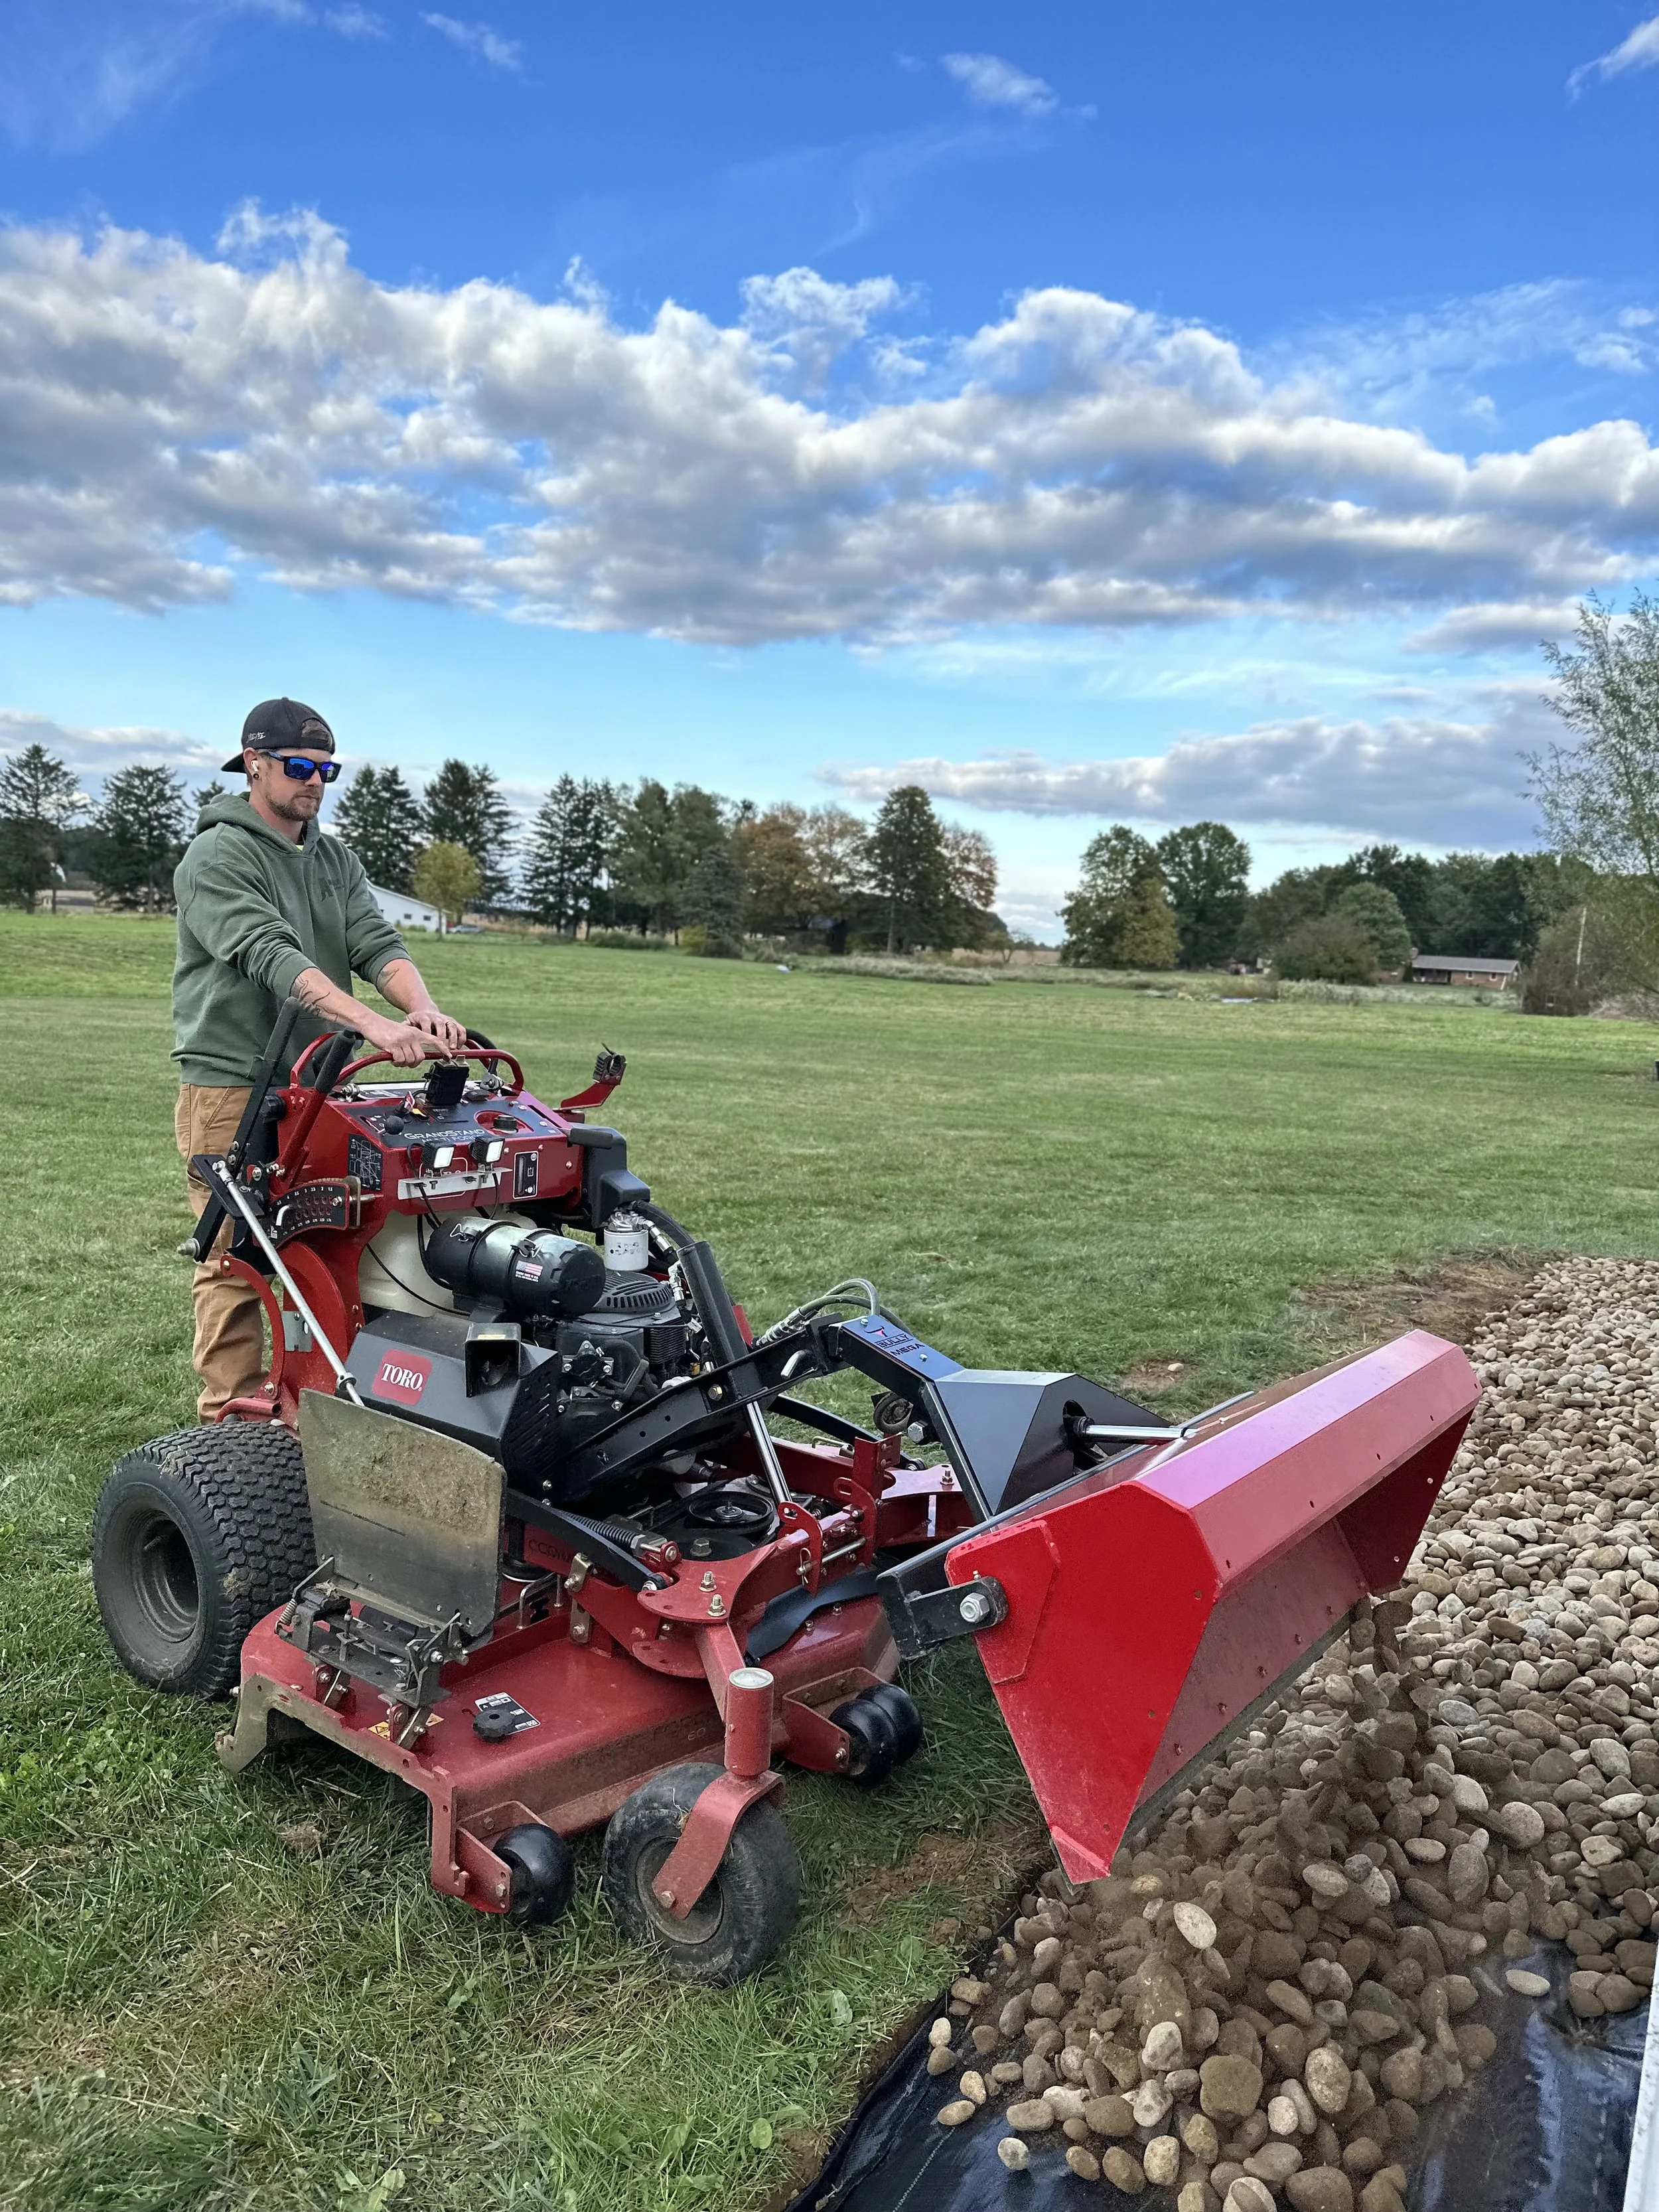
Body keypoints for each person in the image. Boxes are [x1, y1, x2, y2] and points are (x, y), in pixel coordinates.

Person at [172, 698, 466, 1419]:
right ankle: (227, 1423)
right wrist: (372, 1024)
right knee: (235, 1260)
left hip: (322, 1087)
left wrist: (417, 1008)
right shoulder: (217, 855)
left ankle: (323, 1408)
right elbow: (270, 954)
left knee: (332, 1249)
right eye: (300, 767)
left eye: (326, 768)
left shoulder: (333, 857)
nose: (315, 781)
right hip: (235, 1084)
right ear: (254, 763)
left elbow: (375, 943)